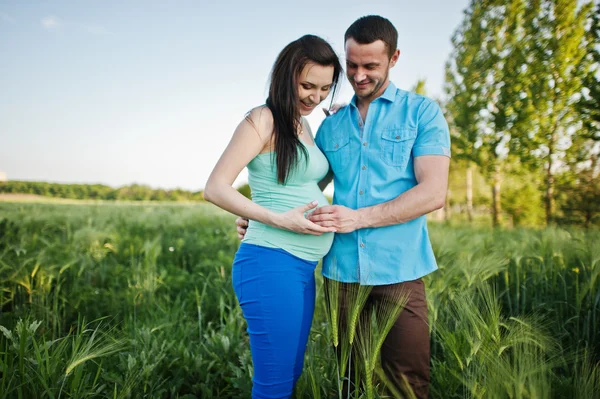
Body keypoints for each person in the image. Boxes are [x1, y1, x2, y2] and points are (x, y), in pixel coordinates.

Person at [237, 15, 450, 399]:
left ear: (394, 58)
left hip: (400, 270)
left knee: (407, 385)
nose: (359, 75)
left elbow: (434, 192)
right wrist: (260, 213)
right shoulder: (331, 127)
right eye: (352, 65)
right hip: (342, 275)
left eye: (371, 66)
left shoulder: (422, 112)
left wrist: (359, 218)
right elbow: (305, 184)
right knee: (351, 384)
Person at [203, 34, 343, 399]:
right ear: (286, 77)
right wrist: (274, 218)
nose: (315, 97)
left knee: (290, 373)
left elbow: (305, 182)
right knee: (274, 385)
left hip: (301, 267)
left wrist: (340, 127)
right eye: (307, 85)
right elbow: (216, 187)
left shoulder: (305, 125)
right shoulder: (262, 119)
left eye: (325, 88)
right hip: (269, 263)